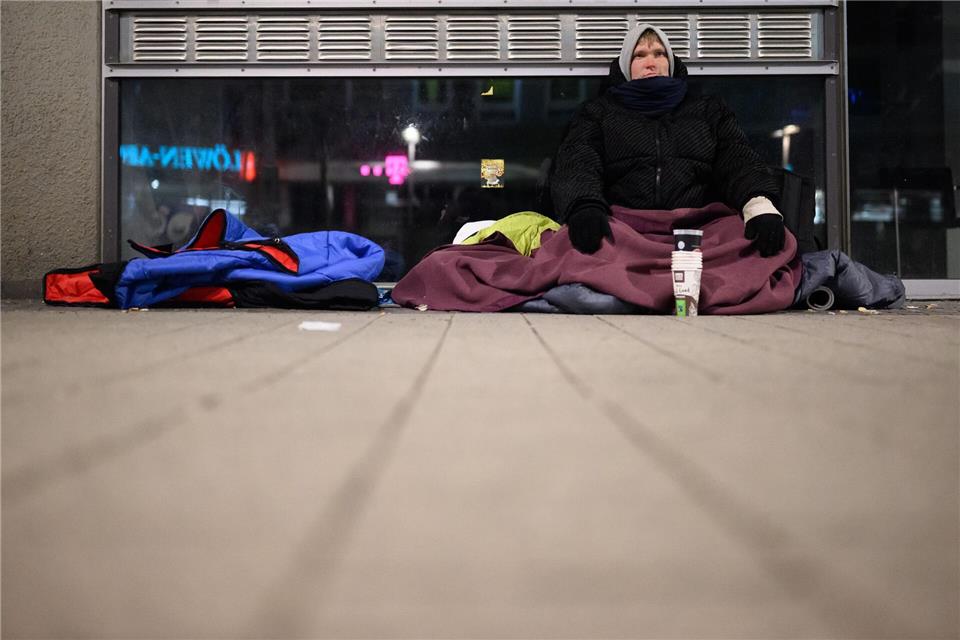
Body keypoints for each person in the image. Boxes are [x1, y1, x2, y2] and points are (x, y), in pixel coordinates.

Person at [550, 24, 786, 257]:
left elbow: (737, 159)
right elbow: (579, 162)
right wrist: (585, 206)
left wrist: (758, 205)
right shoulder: (598, 113)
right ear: (625, 66)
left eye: (659, 54)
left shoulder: (707, 111)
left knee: (764, 251)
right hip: (624, 231)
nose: (650, 62)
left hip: (699, 231)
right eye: (639, 55)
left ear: (670, 63)